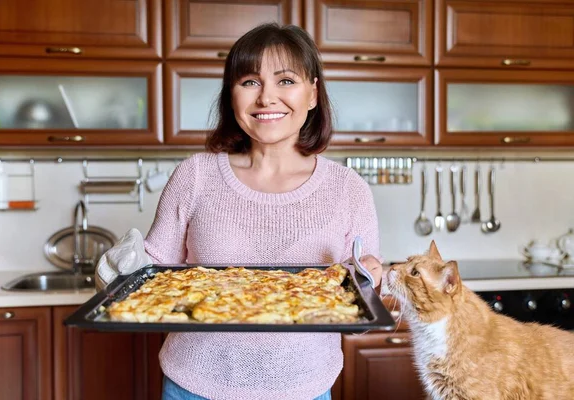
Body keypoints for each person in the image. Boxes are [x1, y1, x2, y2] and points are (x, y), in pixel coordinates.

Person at [96, 22, 383, 400]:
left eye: (285, 81)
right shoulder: (195, 175)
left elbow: (357, 315)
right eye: (250, 82)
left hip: (304, 389)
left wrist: (369, 284)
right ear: (231, 96)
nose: (266, 98)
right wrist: (118, 270)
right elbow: (150, 278)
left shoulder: (349, 189)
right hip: (193, 385)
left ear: (313, 94)